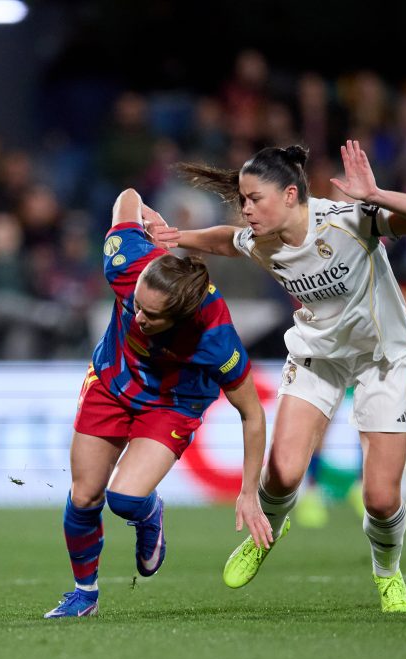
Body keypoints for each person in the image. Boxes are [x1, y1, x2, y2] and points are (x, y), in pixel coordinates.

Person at [147, 140, 406, 612]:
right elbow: (227, 240)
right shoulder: (260, 239)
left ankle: (388, 575)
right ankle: (266, 534)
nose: (246, 208)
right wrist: (178, 237)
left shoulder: (349, 221)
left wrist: (377, 193)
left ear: (289, 195)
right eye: (242, 199)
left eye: (254, 199)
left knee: (382, 499)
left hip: (383, 358)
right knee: (282, 474)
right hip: (317, 357)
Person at [44, 188, 271, 619]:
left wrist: (248, 491)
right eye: (136, 305)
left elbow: (252, 413)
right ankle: (84, 593)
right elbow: (126, 196)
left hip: (172, 401)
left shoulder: (213, 335)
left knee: (125, 499)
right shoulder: (126, 265)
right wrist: (148, 215)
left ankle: (149, 515)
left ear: (180, 317)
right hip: (112, 380)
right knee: (85, 495)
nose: (137, 315)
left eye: (150, 315)